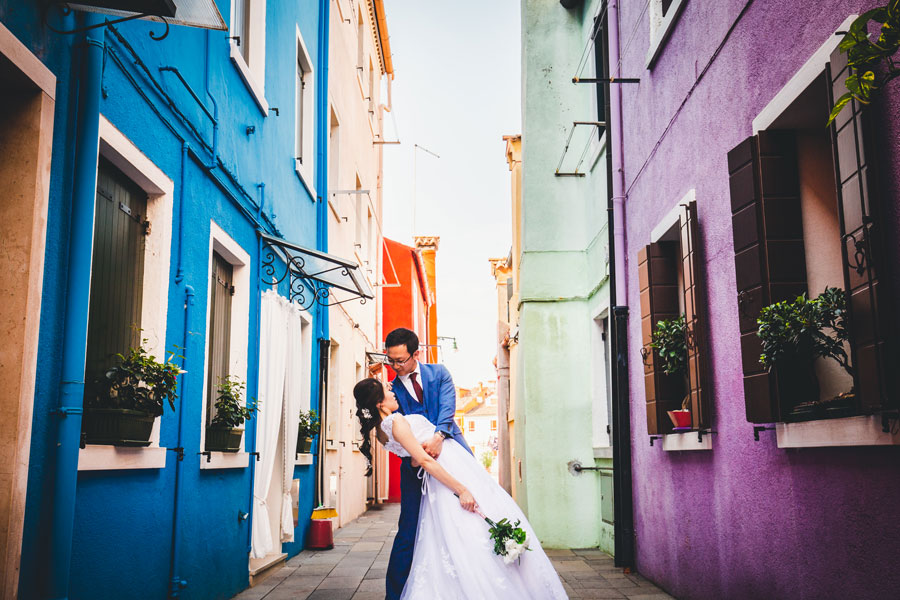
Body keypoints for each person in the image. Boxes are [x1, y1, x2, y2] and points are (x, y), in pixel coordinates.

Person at [353, 377, 568, 599]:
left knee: (455, 531)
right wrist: (461, 489)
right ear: (379, 403)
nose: (393, 392)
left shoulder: (381, 432)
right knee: (471, 525)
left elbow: (414, 459)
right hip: (451, 472)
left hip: (447, 470)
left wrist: (422, 453)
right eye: (388, 392)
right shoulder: (396, 422)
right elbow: (425, 462)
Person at [379, 327, 470, 599]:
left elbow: (447, 408)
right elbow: (396, 434)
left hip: (454, 455)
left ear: (415, 354)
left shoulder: (439, 373)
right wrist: (418, 454)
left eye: (400, 360)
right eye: (390, 360)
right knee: (409, 530)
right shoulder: (390, 392)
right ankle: (394, 594)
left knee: (462, 521)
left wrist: (440, 436)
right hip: (415, 467)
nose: (395, 366)